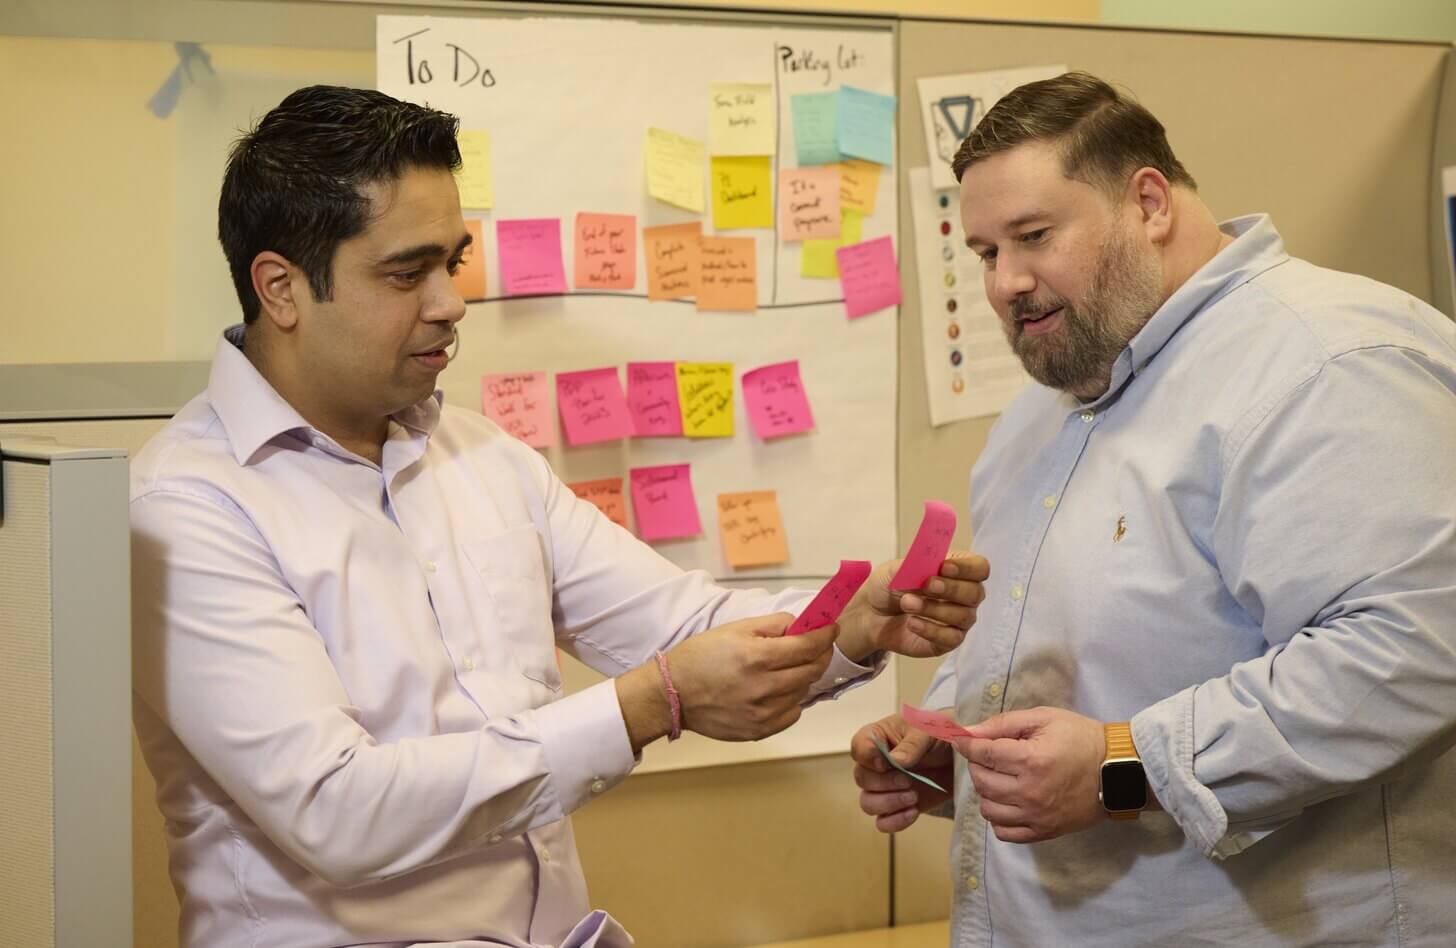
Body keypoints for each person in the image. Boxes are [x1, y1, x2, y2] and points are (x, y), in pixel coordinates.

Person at [129, 85, 989, 948]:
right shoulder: (189, 508)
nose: (449, 302)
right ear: (280, 288)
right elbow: (336, 810)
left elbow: (678, 624)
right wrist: (649, 704)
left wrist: (853, 625)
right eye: (405, 272)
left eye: (452, 263)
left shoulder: (481, 457)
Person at [851, 71, 1456, 946]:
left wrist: (1121, 768)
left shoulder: (1327, 362)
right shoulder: (1041, 415)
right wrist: (955, 747)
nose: (1006, 284)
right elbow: (1088, 648)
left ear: (1148, 203)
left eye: (1033, 235)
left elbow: (1414, 653)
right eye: (986, 252)